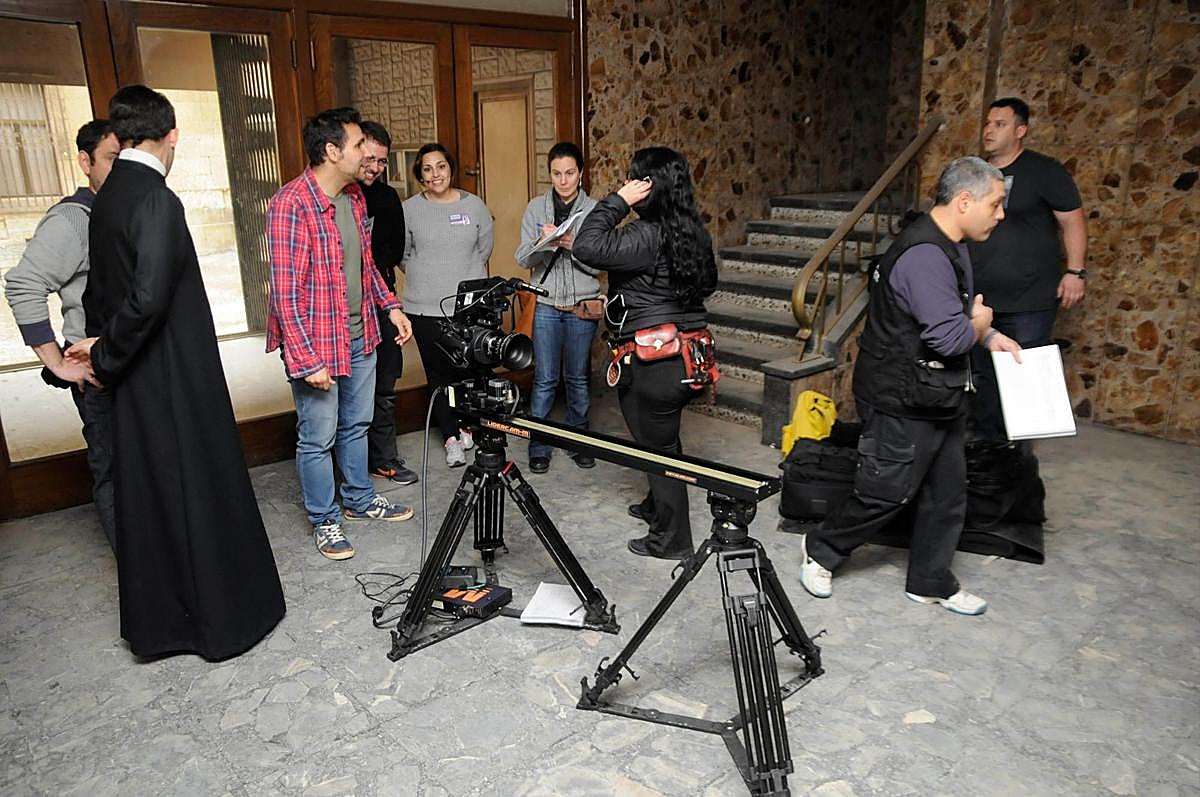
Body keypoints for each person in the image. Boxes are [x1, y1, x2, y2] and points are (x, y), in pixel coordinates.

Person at [67, 84, 284, 659]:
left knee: (155, 493)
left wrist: (103, 353)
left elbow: (104, 291)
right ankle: (221, 621)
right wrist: (106, 352)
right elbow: (148, 298)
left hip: (138, 376)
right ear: (172, 136)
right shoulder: (157, 198)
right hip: (173, 374)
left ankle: (164, 624)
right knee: (198, 486)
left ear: (120, 134)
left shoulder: (109, 192)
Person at [797, 156, 1022, 616]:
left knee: (947, 493)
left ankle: (930, 580)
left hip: (938, 392)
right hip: (902, 395)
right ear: (964, 201)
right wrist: (979, 327)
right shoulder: (924, 254)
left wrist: (989, 333)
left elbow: (956, 317)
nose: (1001, 215)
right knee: (886, 491)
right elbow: (949, 334)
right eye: (996, 205)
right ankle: (820, 549)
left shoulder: (951, 243)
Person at [266, 107, 415, 562]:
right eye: (356, 145)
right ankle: (324, 518)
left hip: (361, 334)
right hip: (318, 346)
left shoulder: (353, 198)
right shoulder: (291, 205)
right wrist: (307, 360)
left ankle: (359, 498)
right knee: (317, 437)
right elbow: (285, 295)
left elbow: (365, 266)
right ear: (332, 152)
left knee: (357, 425)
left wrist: (390, 307)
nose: (365, 153)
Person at [573, 146, 718, 560]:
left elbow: (587, 246)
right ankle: (656, 507)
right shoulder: (693, 231)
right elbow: (706, 286)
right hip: (689, 354)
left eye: (635, 179)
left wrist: (618, 201)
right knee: (662, 436)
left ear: (647, 187)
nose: (629, 183)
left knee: (658, 451)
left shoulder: (644, 234)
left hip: (655, 362)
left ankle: (671, 540)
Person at [4, 119, 120, 553]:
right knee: (114, 472)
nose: (119, 168)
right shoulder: (74, 219)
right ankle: (137, 575)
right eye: (110, 158)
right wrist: (54, 362)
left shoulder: (129, 212)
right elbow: (23, 284)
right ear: (84, 162)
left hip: (139, 368)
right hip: (100, 375)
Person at [967, 97, 1088, 440]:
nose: (989, 130)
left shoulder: (1045, 171)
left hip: (1029, 299)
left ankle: (1018, 458)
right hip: (982, 298)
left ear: (1021, 130)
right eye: (988, 123)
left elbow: (1073, 221)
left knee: (1024, 377)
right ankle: (989, 449)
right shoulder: (977, 172)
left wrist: (1075, 271)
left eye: (1000, 124)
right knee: (985, 378)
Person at [400, 142, 494, 467]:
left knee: (468, 370)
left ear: (450, 168)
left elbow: (484, 249)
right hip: (424, 306)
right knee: (439, 376)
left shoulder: (475, 206)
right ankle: (451, 436)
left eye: (440, 166)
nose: (435, 174)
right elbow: (403, 255)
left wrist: (461, 278)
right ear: (420, 175)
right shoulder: (409, 209)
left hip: (467, 305)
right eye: (427, 169)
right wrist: (428, 276)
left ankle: (469, 425)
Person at [514, 141, 600, 473]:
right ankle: (540, 446)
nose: (563, 180)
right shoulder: (536, 208)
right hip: (547, 304)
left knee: (577, 378)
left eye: (569, 173)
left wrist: (574, 245)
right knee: (546, 378)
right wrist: (544, 244)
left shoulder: (595, 210)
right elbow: (521, 258)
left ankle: (580, 442)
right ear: (549, 174)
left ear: (580, 174)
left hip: (581, 305)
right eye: (556, 173)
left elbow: (601, 264)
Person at [358, 121, 418, 487]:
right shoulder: (338, 196)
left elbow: (393, 251)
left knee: (385, 381)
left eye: (382, 161)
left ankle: (383, 457)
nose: (375, 167)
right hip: (346, 306)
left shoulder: (387, 197)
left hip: (382, 302)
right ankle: (350, 459)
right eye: (369, 159)